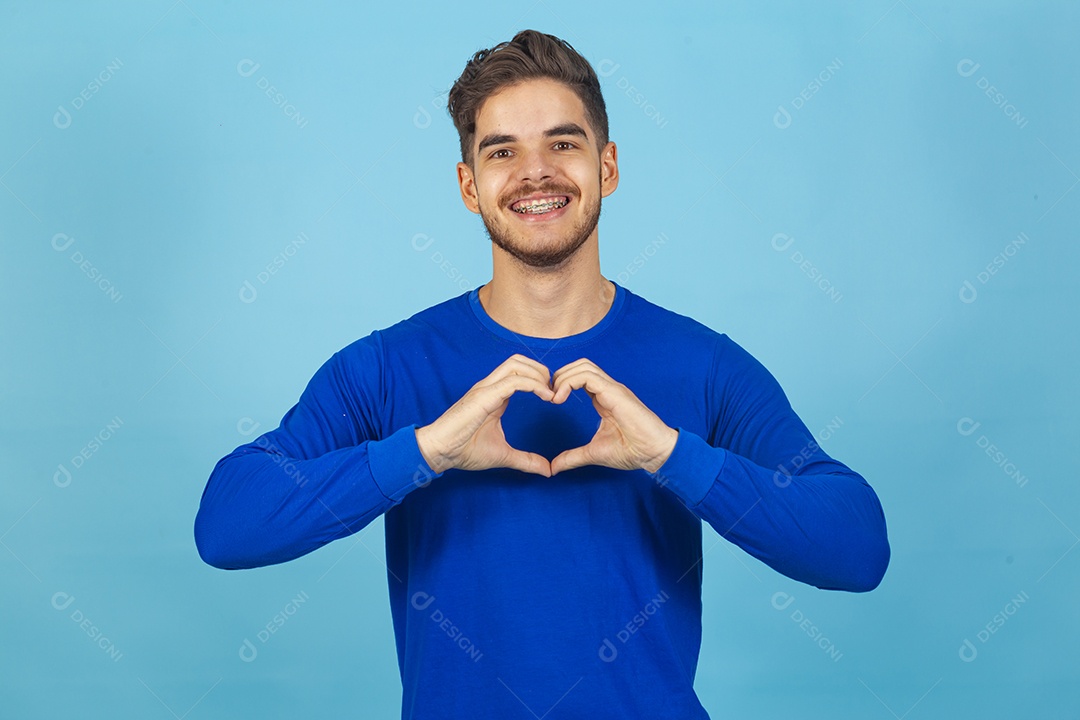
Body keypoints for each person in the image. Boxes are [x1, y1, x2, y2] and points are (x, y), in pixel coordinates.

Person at [195, 29, 889, 719]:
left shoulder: (704, 365)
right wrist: (427, 452)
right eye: (503, 151)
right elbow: (229, 525)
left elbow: (857, 549)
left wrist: (672, 456)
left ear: (607, 167)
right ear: (469, 185)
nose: (536, 172)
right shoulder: (385, 368)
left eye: (563, 143)